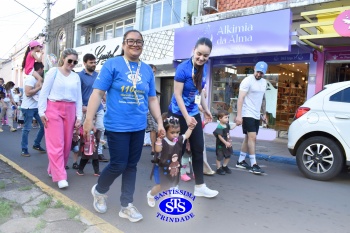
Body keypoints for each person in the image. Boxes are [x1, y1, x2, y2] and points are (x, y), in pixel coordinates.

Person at [84, 30, 165, 223]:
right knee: (118, 164)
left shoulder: (146, 70)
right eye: (131, 41)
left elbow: (152, 98)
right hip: (117, 125)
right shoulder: (112, 64)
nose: (135, 44)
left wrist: (160, 122)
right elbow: (97, 93)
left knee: (131, 166)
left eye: (139, 42)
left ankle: (126, 205)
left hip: (138, 126)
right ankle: (100, 191)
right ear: (123, 44)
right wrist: (89, 119)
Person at [168, 37, 218, 198]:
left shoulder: (204, 67)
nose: (202, 58)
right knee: (178, 150)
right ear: (193, 50)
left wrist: (205, 109)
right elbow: (177, 94)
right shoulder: (183, 68)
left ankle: (200, 186)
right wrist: (186, 118)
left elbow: (199, 91)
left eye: (206, 55)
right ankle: (173, 187)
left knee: (198, 148)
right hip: (177, 113)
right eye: (199, 54)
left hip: (193, 113)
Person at [38, 48, 82, 189]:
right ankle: (61, 176)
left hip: (70, 109)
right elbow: (44, 93)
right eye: (70, 60)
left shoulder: (76, 77)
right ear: (63, 59)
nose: (72, 64)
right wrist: (41, 112)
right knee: (56, 144)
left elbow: (79, 98)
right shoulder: (53, 72)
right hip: (53, 108)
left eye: (75, 62)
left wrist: (79, 116)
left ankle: (53, 169)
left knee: (67, 144)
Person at [147, 115, 194, 207]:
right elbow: (158, 149)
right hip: (162, 169)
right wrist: (159, 139)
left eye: (177, 132)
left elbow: (186, 135)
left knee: (170, 185)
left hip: (173, 168)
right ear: (165, 131)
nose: (175, 135)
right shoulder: (163, 141)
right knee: (161, 187)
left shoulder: (178, 139)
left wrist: (191, 127)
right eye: (172, 132)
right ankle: (151, 195)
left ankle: (169, 200)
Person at [235, 61, 268, 174]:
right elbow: (240, 98)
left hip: (256, 114)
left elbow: (263, 99)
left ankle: (240, 161)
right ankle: (254, 164)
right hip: (247, 113)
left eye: (262, 73)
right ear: (254, 69)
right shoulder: (247, 81)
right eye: (258, 72)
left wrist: (264, 113)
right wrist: (239, 115)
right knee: (252, 138)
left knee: (248, 138)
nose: (259, 74)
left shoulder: (264, 82)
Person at [78, 53, 108, 163]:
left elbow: (102, 92)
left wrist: (108, 102)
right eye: (91, 63)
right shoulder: (79, 76)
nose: (94, 64)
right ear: (84, 63)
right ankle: (86, 153)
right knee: (85, 131)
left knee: (100, 128)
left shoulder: (98, 75)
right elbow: (77, 94)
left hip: (99, 107)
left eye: (95, 62)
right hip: (85, 108)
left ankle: (99, 152)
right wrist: (81, 106)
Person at [21, 62, 46, 157]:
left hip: (37, 107)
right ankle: (24, 149)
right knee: (27, 129)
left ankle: (36, 144)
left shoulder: (37, 79)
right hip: (28, 108)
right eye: (42, 70)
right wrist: (38, 88)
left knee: (44, 125)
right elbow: (28, 93)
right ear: (40, 69)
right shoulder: (30, 79)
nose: (43, 71)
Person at [213, 110, 236, 175]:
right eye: (225, 117)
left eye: (228, 117)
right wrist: (225, 142)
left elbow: (231, 128)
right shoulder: (219, 127)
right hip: (221, 145)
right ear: (220, 118)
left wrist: (236, 124)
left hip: (228, 143)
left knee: (228, 155)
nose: (227, 119)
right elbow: (220, 137)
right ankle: (218, 168)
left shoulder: (227, 125)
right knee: (219, 157)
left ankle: (224, 166)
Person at [145, 64, 158, 155]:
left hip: (150, 110)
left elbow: (153, 98)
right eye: (152, 71)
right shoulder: (144, 79)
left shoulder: (152, 81)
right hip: (141, 109)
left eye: (154, 72)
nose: (153, 74)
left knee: (153, 128)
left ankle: (153, 148)